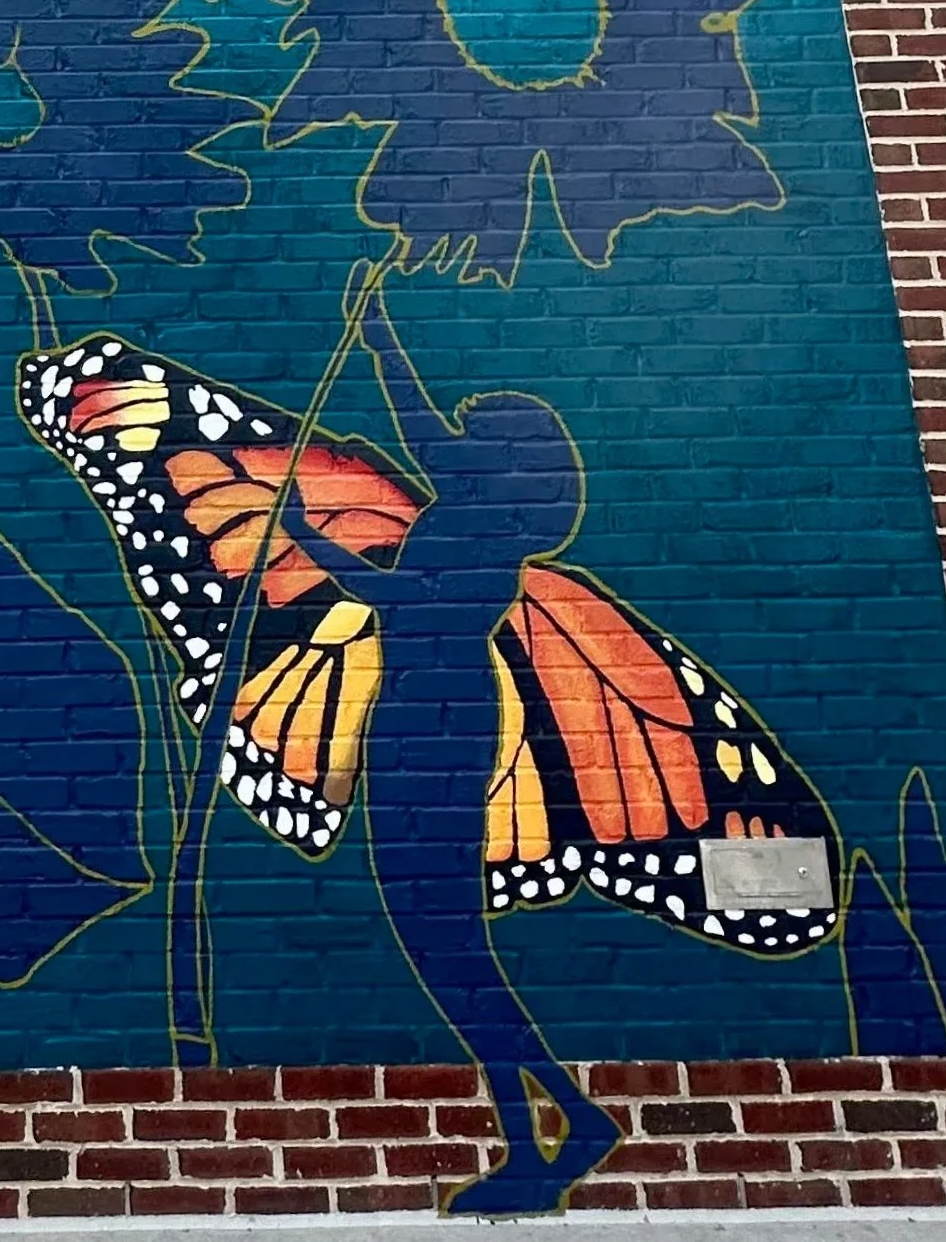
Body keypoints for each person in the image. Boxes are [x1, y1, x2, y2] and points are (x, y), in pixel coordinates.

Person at [279, 305, 621, 1215]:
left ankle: (557, 1125)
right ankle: (553, 1123)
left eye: (474, 434)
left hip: (435, 727)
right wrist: (383, 333)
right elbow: (415, 418)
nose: (451, 438)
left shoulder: (482, 539)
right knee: (448, 950)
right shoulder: (477, 512)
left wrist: (307, 539)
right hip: (422, 718)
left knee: (448, 949)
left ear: (502, 464)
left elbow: (396, 597)